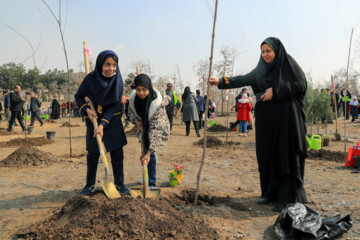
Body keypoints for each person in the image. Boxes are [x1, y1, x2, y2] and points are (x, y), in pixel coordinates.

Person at [210, 37, 307, 212]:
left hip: (286, 120)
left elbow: (300, 84)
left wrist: (276, 90)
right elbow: (242, 78)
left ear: (277, 51)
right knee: (267, 154)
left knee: (284, 155)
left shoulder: (288, 65)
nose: (265, 55)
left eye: (268, 51)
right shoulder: (260, 69)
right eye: (263, 51)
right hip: (266, 119)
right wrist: (220, 82)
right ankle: (269, 193)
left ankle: (285, 199)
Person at [75, 50, 129, 195]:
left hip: (112, 119)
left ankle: (120, 184)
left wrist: (103, 124)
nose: (111, 69)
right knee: (93, 153)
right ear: (100, 65)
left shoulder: (117, 80)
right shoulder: (90, 80)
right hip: (93, 118)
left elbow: (115, 105)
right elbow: (78, 96)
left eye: (114, 65)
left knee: (117, 152)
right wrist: (86, 109)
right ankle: (89, 184)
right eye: (107, 65)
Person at [128, 74, 170, 189]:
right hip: (143, 127)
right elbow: (130, 113)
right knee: (143, 154)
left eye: (144, 90)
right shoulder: (133, 99)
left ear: (149, 88)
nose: (141, 93)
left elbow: (156, 129)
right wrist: (136, 121)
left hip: (156, 127)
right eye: (138, 90)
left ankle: (151, 183)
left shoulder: (157, 103)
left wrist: (149, 152)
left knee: (150, 155)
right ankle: (145, 176)